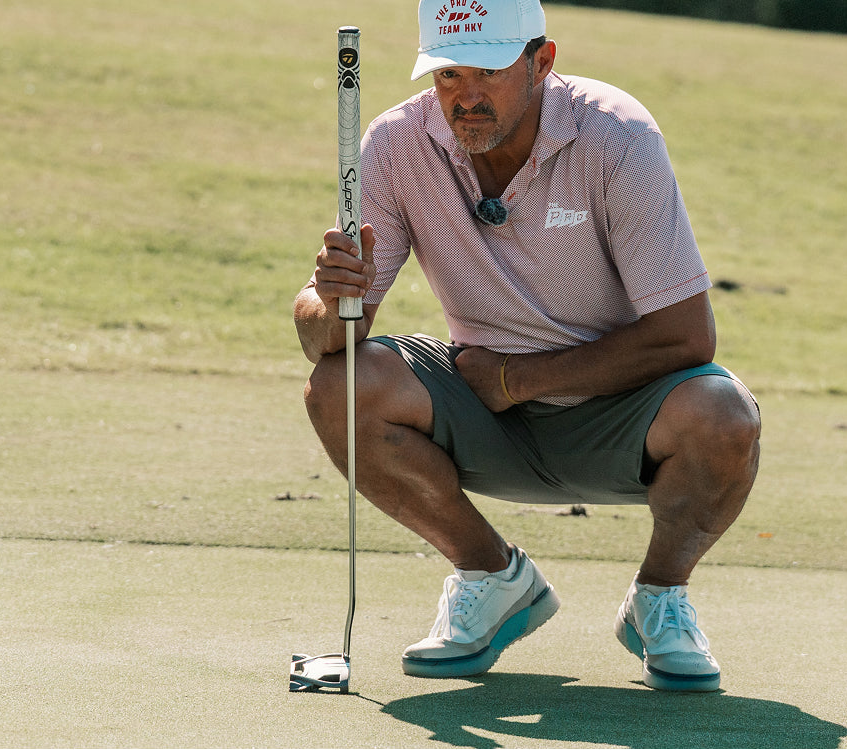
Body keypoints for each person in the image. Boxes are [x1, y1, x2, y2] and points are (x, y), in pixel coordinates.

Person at [293, 0, 761, 692]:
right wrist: (331, 302)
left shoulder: (618, 135)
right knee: (340, 384)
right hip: (485, 413)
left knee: (724, 415)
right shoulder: (395, 143)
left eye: (488, 72)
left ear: (542, 61)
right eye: (448, 74)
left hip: (621, 411)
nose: (466, 96)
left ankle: (660, 599)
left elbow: (688, 337)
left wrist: (516, 380)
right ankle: (491, 576)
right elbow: (322, 338)